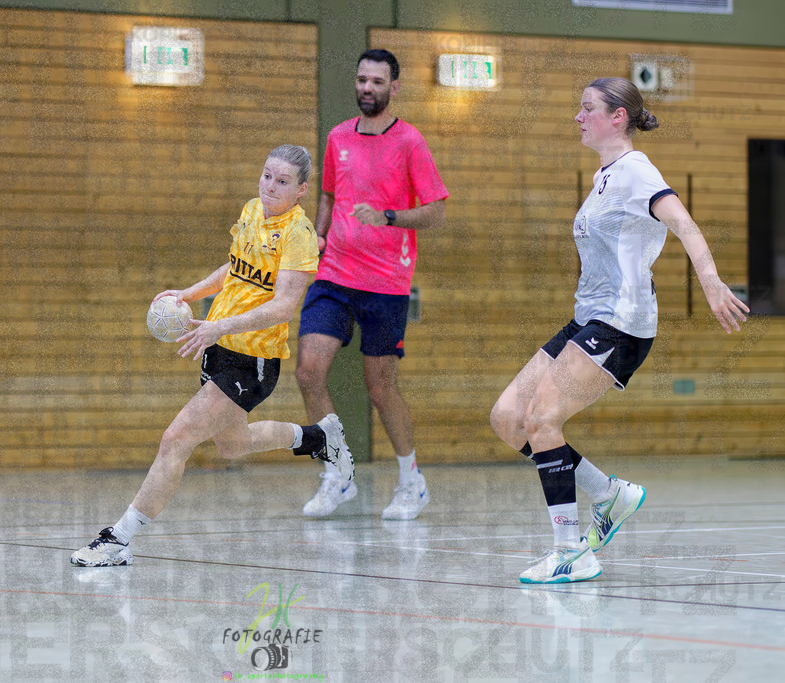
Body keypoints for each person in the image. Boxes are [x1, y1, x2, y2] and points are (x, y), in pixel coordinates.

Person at [490, 77, 749, 584]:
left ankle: (570, 552)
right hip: (587, 317)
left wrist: (712, 282)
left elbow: (685, 225)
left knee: (542, 420)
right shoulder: (603, 177)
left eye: (587, 108)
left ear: (619, 117)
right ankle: (610, 494)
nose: (577, 117)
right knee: (507, 418)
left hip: (621, 323)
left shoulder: (636, 171)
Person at [71, 145, 355, 567]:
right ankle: (318, 437)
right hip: (218, 348)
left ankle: (119, 540)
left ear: (301, 190)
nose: (270, 187)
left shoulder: (298, 236)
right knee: (233, 445)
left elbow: (282, 307)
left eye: (282, 181)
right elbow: (234, 269)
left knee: (176, 438)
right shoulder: (251, 211)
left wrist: (218, 325)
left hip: (253, 360)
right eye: (266, 176)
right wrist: (189, 293)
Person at [294, 49, 449, 520]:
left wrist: (387, 216)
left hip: (386, 282)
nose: (367, 88)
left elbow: (436, 211)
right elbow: (329, 193)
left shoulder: (410, 142)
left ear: (394, 88)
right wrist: (319, 234)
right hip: (335, 274)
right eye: (361, 79)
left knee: (380, 387)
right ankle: (338, 472)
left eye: (377, 82)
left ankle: (411, 481)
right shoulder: (338, 136)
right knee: (307, 370)